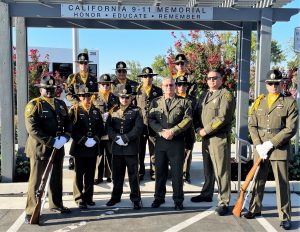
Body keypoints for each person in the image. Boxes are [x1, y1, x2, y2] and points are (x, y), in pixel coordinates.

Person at [243, 70, 298, 230]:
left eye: (277, 83)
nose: (274, 86)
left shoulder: (289, 102)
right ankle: (255, 208)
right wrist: (258, 144)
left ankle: (285, 216)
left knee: (281, 183)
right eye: (270, 83)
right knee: (258, 180)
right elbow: (252, 124)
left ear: (282, 84)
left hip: (279, 149)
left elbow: (291, 129)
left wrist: (271, 143)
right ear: (266, 85)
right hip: (260, 148)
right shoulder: (259, 101)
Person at [24, 75, 72, 224]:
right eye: (47, 89)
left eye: (52, 89)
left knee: (56, 179)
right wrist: (51, 141)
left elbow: (69, 122)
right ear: (41, 89)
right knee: (36, 181)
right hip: (40, 148)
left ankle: (56, 204)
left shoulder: (61, 104)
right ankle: (31, 210)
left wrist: (65, 137)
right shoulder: (34, 105)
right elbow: (32, 129)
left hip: (58, 148)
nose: (50, 91)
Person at [191, 68, 235, 216]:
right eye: (209, 78)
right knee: (208, 168)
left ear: (221, 79)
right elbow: (196, 114)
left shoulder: (226, 95)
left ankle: (224, 201)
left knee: (221, 171)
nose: (212, 80)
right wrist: (197, 128)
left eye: (215, 78)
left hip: (218, 138)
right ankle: (206, 193)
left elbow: (223, 118)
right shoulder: (204, 95)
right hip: (205, 138)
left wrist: (205, 130)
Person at [148, 77, 192, 210]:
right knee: (160, 172)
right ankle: (158, 198)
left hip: (176, 141)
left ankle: (178, 199)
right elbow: (151, 119)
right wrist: (161, 131)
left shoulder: (184, 102)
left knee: (177, 173)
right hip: (161, 141)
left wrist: (173, 131)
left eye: (171, 85)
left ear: (175, 86)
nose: (169, 88)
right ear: (162, 87)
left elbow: (188, 119)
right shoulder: (155, 102)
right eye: (166, 85)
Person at [106, 84, 143, 210]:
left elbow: (138, 128)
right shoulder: (113, 110)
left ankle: (136, 199)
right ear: (119, 97)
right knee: (117, 175)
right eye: (122, 97)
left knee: (133, 176)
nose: (124, 100)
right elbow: (108, 127)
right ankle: (115, 197)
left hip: (131, 148)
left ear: (131, 98)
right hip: (117, 148)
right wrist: (116, 138)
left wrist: (126, 138)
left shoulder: (136, 111)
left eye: (127, 97)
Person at [69, 85, 104, 209]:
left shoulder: (95, 111)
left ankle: (88, 197)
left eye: (89, 96)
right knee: (79, 174)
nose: (87, 98)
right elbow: (71, 129)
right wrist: (83, 140)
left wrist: (95, 139)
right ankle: (79, 198)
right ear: (79, 97)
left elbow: (101, 128)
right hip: (79, 147)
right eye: (84, 96)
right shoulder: (75, 110)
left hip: (92, 147)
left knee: (90, 174)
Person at [65, 52, 98, 170]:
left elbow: (96, 94)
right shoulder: (72, 78)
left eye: (85, 63)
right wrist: (77, 103)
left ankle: (89, 157)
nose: (83, 65)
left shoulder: (93, 78)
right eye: (81, 63)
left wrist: (91, 104)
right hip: (77, 108)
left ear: (88, 64)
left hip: (90, 107)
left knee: (89, 131)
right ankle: (72, 157)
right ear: (78, 64)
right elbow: (68, 94)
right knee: (75, 131)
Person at [135, 67, 163, 181]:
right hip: (140, 126)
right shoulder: (136, 91)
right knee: (139, 150)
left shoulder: (158, 91)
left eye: (150, 76)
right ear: (141, 78)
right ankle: (140, 171)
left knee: (154, 151)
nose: (148, 78)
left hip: (153, 126)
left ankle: (154, 171)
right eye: (145, 76)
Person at [92, 74, 119, 184]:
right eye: (103, 84)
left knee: (110, 153)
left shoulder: (115, 98)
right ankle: (97, 177)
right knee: (99, 154)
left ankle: (110, 175)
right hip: (98, 130)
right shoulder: (94, 97)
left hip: (110, 129)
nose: (106, 86)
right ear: (99, 85)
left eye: (108, 84)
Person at [175, 75, 197, 184]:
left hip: (188, 130)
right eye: (179, 84)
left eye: (184, 85)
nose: (182, 87)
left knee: (188, 154)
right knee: (176, 154)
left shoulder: (192, 100)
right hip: (176, 131)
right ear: (176, 86)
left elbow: (197, 115)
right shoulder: (173, 98)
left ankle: (185, 174)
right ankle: (177, 174)